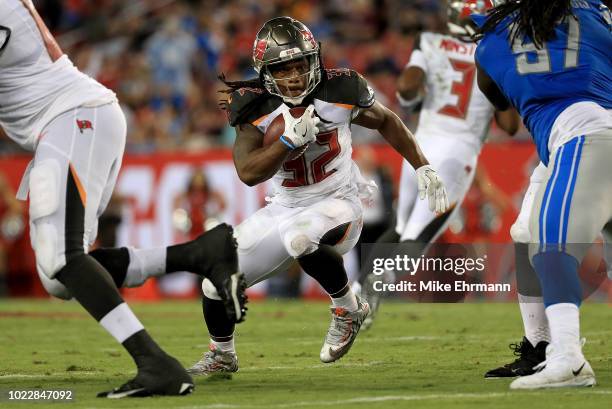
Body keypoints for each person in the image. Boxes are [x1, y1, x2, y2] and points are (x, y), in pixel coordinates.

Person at [111, 16, 447, 375]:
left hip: (340, 201)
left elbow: (387, 121)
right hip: (285, 205)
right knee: (215, 282)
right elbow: (248, 172)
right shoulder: (252, 104)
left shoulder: (341, 89)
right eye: (283, 68)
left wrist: (421, 165)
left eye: (300, 64)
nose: (294, 76)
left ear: (314, 60)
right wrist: (288, 141)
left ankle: (348, 307)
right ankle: (222, 354)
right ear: (265, 72)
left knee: (300, 238)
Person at [0, 0, 246, 398]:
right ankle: (200, 254)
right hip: (74, 121)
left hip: (71, 117)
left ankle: (155, 363)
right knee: (58, 276)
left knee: (60, 257)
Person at [357, 0, 519, 328]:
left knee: (400, 227)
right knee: (418, 235)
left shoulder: (429, 42)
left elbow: (406, 89)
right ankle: (379, 284)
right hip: (457, 154)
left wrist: (413, 97)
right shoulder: (494, 50)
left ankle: (356, 296)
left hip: (419, 146)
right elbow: (510, 125)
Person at [474, 0, 611, 389]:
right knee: (529, 234)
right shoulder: (592, 16)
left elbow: (503, 108)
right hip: (587, 132)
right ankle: (544, 347)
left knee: (551, 249)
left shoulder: (490, 44)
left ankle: (568, 358)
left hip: (583, 136)